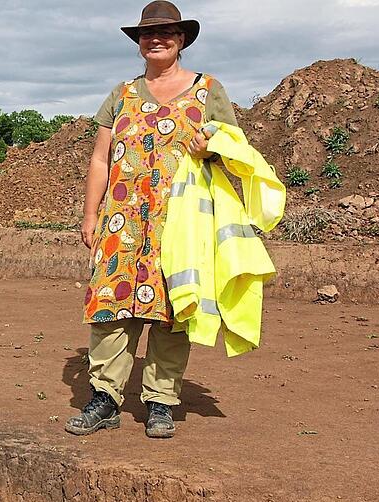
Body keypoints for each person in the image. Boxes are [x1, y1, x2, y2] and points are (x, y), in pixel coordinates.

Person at [67, 1, 239, 438]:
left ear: (181, 40)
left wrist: (211, 149)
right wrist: (91, 214)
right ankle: (105, 398)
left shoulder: (208, 91)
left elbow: (235, 152)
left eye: (167, 33)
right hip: (120, 223)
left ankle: (160, 400)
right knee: (110, 308)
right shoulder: (121, 95)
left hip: (180, 225)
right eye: (148, 34)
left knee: (172, 311)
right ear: (139, 43)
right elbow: (101, 159)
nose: (156, 39)